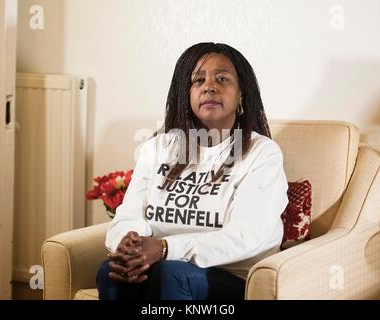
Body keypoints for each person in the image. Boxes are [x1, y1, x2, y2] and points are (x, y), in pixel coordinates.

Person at [96, 42, 289, 300]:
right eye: (198, 80)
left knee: (170, 274)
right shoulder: (159, 148)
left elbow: (247, 236)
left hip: (231, 277)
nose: (209, 86)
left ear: (241, 94)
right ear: (185, 94)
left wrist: (164, 249)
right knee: (111, 272)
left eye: (222, 78)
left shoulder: (262, 153)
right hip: (160, 267)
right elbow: (129, 215)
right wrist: (131, 245)